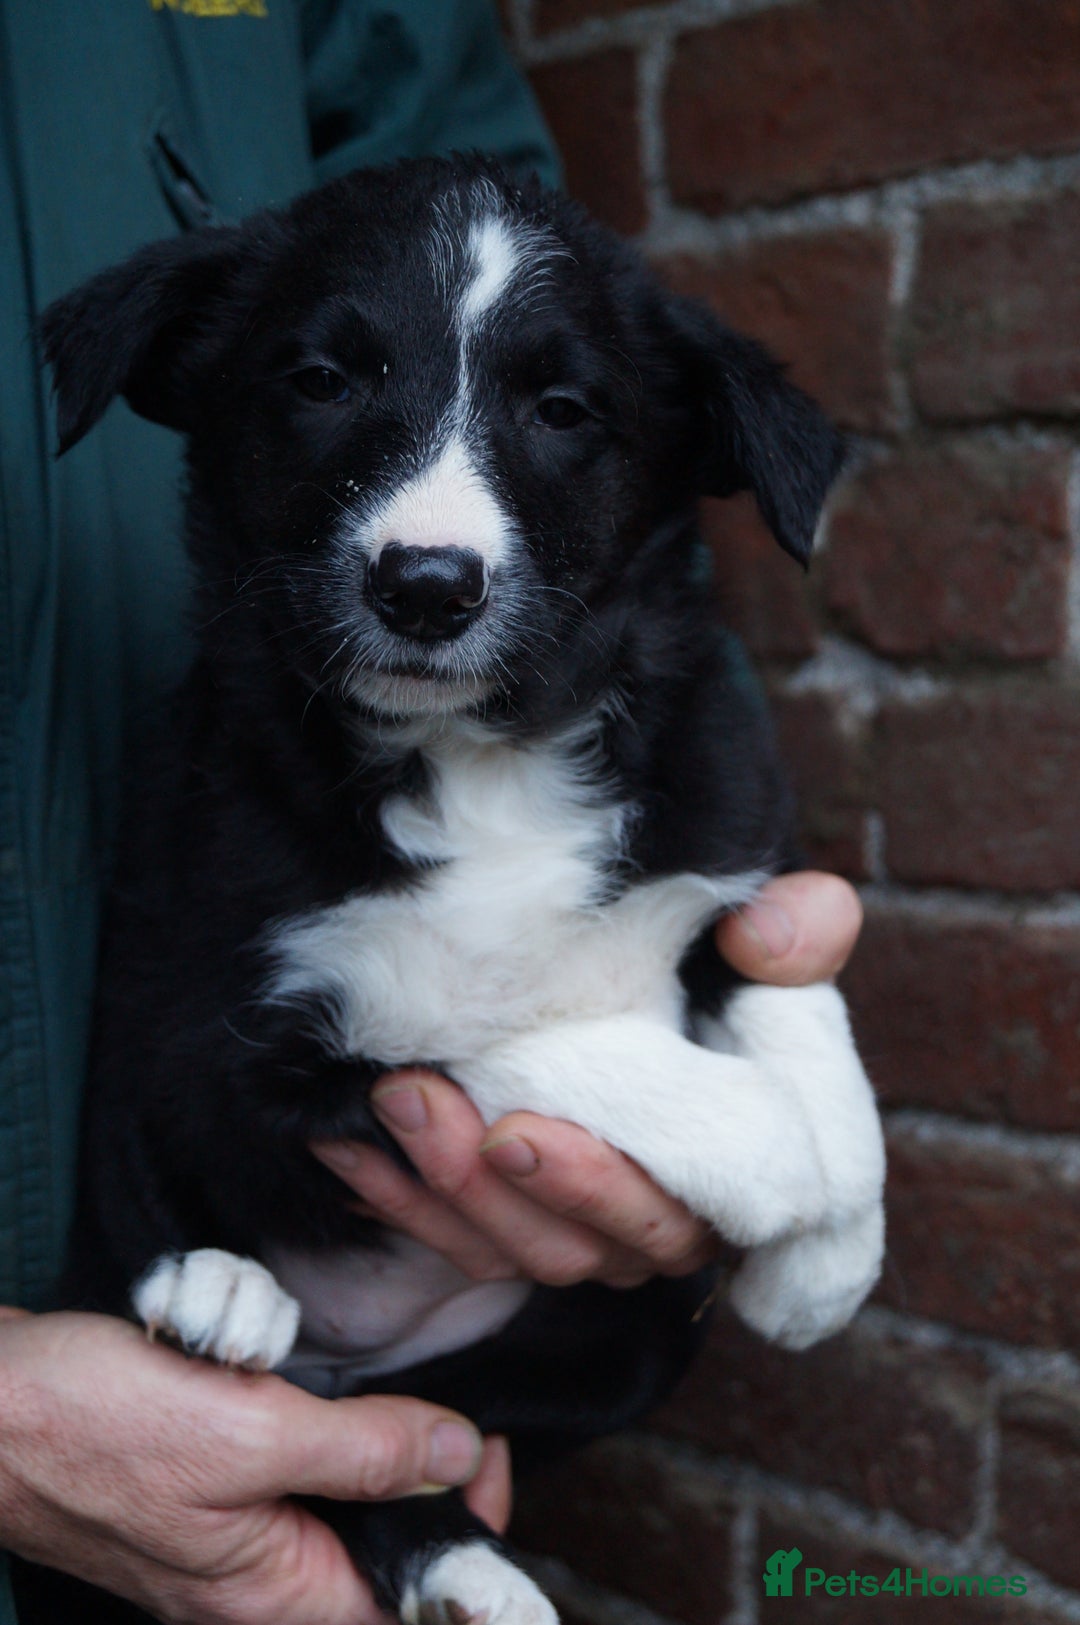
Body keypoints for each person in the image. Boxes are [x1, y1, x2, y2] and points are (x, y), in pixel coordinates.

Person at [0, 3, 863, 1620]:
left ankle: (422, 1534)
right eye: (334, 379)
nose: (432, 526)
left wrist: (764, 1001)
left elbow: (509, 253)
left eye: (549, 413)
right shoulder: (252, 837)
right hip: (163, 1244)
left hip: (448, 1335)